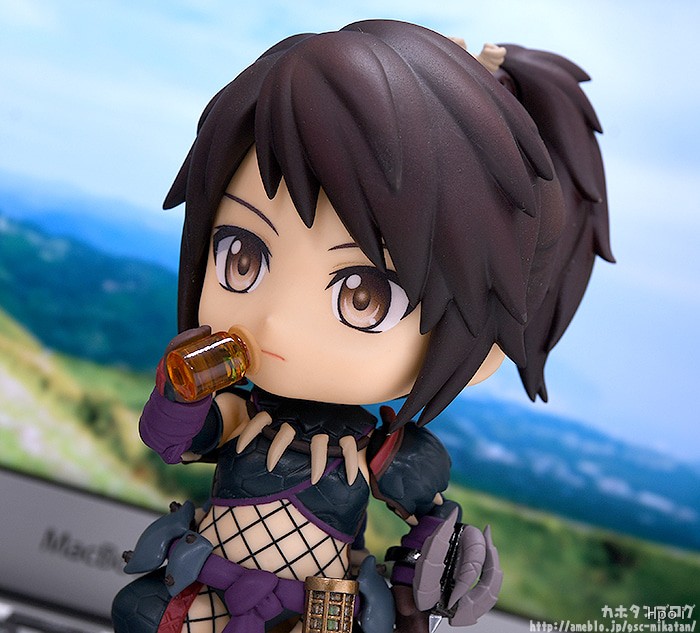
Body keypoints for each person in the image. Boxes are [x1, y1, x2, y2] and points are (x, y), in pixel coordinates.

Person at [112, 19, 613, 633]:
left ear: (486, 347)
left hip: (321, 611)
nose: (277, 321)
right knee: (144, 615)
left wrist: (433, 569)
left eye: (363, 296)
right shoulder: (243, 416)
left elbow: (428, 523)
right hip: (215, 586)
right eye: (241, 258)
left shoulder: (380, 454)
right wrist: (180, 391)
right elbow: (173, 438)